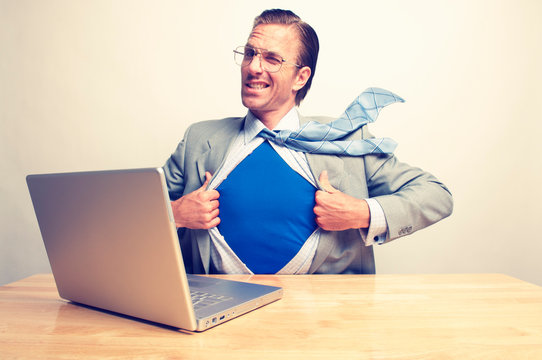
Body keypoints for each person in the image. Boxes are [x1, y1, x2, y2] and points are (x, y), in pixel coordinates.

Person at [163, 9, 453, 274]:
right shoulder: (198, 139)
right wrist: (173, 214)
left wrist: (361, 212)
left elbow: (435, 195)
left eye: (272, 59)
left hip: (327, 318)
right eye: (250, 53)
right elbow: (129, 215)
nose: (253, 67)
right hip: (215, 317)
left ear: (300, 77)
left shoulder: (349, 139)